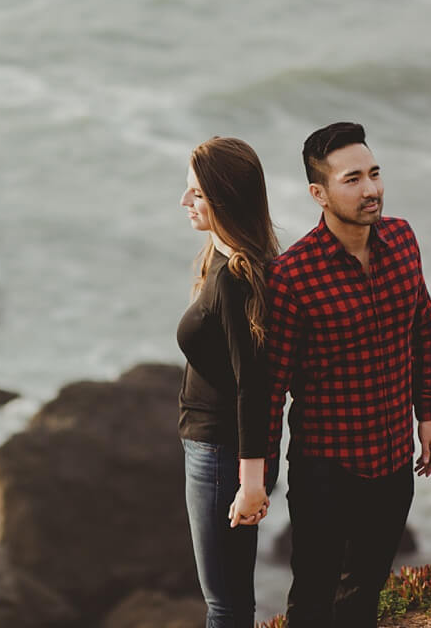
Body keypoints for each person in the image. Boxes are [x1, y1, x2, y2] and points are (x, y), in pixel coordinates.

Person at [265, 122, 431, 628]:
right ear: (318, 194)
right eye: (352, 179)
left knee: (366, 591)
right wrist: (257, 477)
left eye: (374, 173)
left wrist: (427, 414)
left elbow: (422, 325)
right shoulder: (292, 276)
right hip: (326, 467)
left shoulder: (403, 239)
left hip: (392, 461)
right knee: (314, 597)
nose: (371, 190)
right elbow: (270, 389)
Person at [176, 136, 280, 628]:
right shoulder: (223, 256)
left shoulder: (236, 278)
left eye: (195, 193)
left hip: (222, 459)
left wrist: (251, 484)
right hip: (217, 453)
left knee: (226, 604)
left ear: (224, 200)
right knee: (230, 599)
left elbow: (253, 385)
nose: (184, 201)